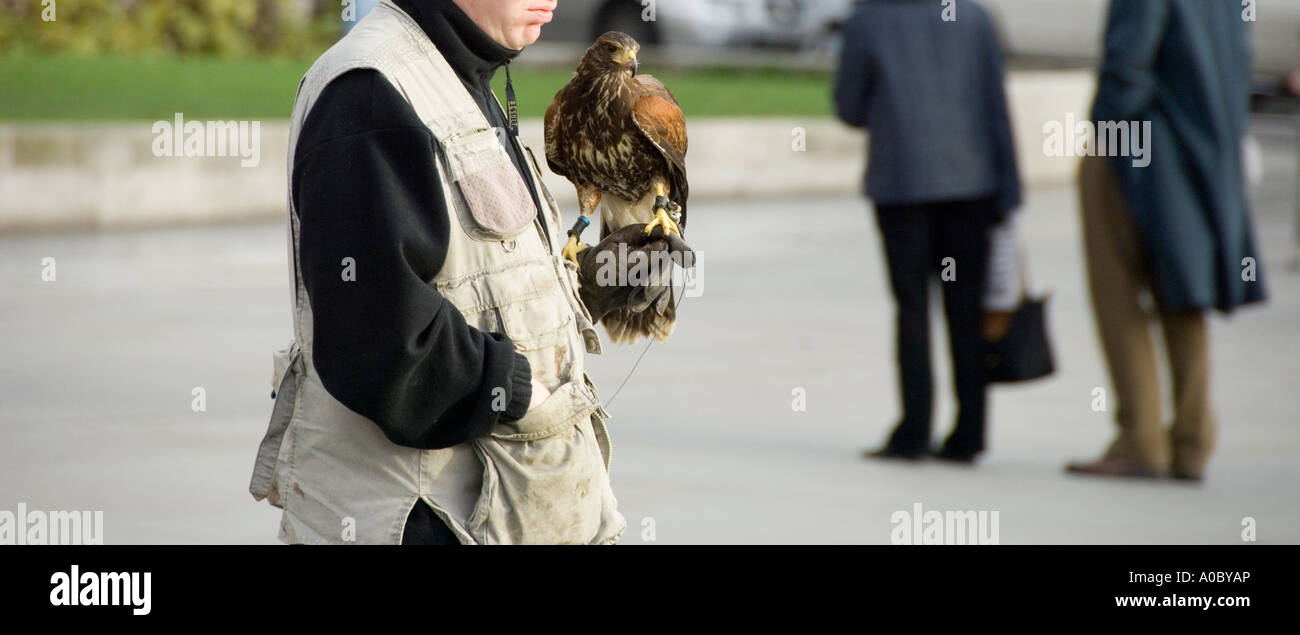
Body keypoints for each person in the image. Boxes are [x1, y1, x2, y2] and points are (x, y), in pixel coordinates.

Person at [248, 0, 682, 544]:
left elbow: (470, 280)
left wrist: (590, 286)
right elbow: (378, 339)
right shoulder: (371, 93)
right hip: (422, 521)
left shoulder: (456, 73)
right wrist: (520, 393)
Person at [1067, 0, 1266, 482]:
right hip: (1206, 144)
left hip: (1145, 143)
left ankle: (1141, 438)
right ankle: (1192, 439)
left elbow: (1127, 66)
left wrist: (1108, 137)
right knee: (1184, 289)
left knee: (1117, 290)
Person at [834, 0, 1021, 464]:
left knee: (912, 309)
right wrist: (1010, 192)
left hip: (902, 185)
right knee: (966, 309)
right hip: (973, 185)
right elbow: (996, 105)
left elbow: (850, 107)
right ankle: (970, 432)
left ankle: (913, 432)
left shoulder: (867, 19)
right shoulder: (976, 18)